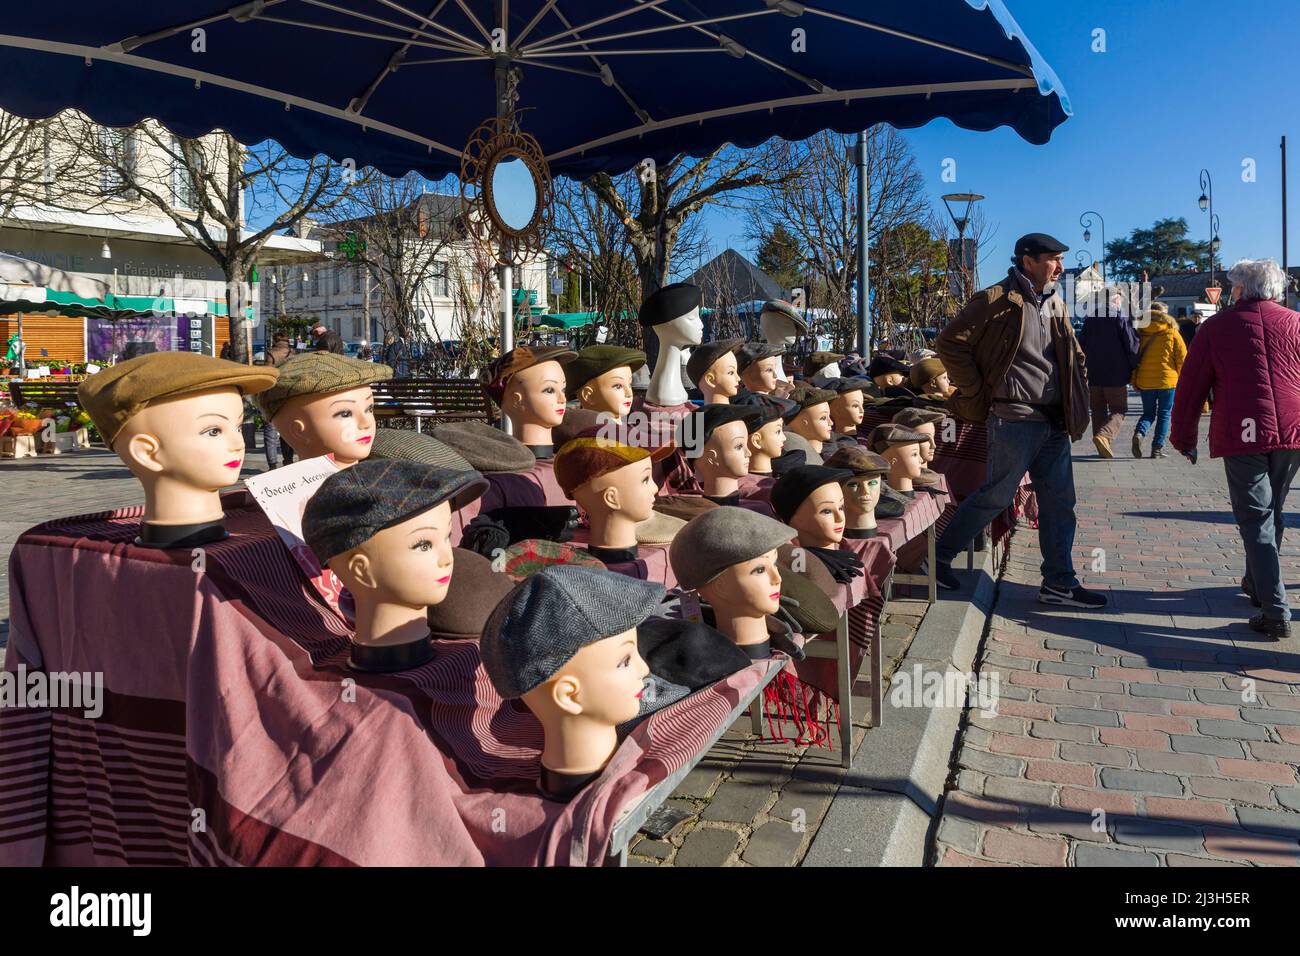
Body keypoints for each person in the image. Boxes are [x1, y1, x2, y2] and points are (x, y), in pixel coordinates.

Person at [930, 232, 1103, 608]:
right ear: (1028, 261)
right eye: (1051, 259)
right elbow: (950, 342)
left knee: (1060, 502)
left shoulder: (1055, 300)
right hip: (1013, 417)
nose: (1059, 267)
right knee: (997, 495)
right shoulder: (996, 300)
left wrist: (1079, 387)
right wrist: (976, 390)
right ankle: (937, 558)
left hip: (1054, 419)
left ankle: (1058, 582)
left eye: (1060, 259)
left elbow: (1071, 352)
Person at [1170, 258, 1300, 640]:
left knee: (1255, 517)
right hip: (1292, 430)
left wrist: (1183, 437)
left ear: (1239, 290)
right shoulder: (1296, 323)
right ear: (1276, 290)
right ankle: (1259, 585)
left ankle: (1275, 610)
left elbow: (1191, 387)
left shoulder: (1216, 327)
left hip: (1244, 430)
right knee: (1272, 509)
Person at [1076, 292, 1139, 458]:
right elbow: (1131, 345)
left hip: (1093, 373)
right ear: (1114, 300)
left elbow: (1080, 345)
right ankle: (1104, 437)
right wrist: (1134, 367)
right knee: (1119, 409)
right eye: (1120, 298)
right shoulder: (1119, 317)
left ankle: (1101, 446)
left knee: (1097, 410)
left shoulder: (1090, 319)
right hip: (1115, 374)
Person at [1129, 302, 1186, 459]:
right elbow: (1182, 359)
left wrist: (1134, 379)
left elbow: (1135, 358)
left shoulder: (1140, 332)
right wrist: (1183, 380)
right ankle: (1157, 449)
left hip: (1146, 381)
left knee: (1148, 413)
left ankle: (1140, 433)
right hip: (1167, 381)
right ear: (1165, 315)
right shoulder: (1172, 332)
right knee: (1164, 414)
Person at [261, 333, 296, 468]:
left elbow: (267, 374)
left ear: (275, 340)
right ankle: (288, 460)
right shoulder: (293, 353)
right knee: (288, 430)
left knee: (270, 431)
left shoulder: (271, 353)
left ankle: (272, 464)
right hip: (289, 395)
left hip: (273, 394)